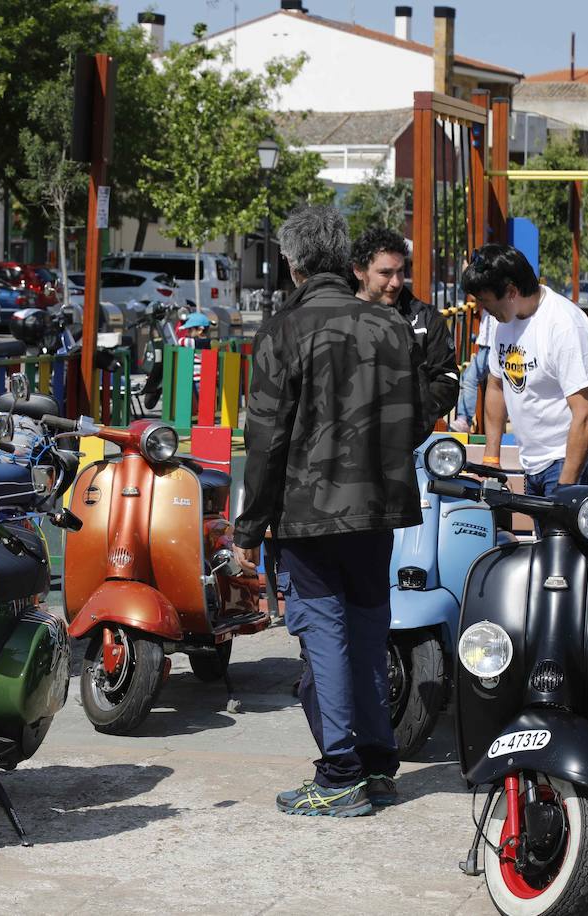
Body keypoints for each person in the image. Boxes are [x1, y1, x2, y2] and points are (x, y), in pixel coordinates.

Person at [233, 204, 424, 818]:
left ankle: (340, 772)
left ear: (292, 264)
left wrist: (248, 527)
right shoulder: (391, 326)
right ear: (346, 261)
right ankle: (376, 765)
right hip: (377, 511)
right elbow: (416, 420)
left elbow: (265, 441)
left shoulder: (283, 330)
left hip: (309, 514)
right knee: (369, 635)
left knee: (326, 639)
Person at [461, 244, 588, 495]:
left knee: (562, 534)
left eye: (485, 301)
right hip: (534, 462)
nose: (481, 308)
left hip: (575, 458)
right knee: (543, 535)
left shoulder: (564, 325)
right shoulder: (503, 320)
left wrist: (566, 490)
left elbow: (586, 415)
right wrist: (491, 458)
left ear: (511, 291)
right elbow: (496, 385)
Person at [350, 226, 458, 428]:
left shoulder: (427, 319)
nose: (396, 282)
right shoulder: (338, 320)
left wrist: (411, 414)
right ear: (358, 270)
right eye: (385, 273)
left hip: (406, 444)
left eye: (401, 271)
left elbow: (447, 379)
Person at [451, 310, 496, 433]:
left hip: (490, 345)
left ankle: (464, 419)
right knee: (467, 378)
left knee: (470, 378)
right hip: (489, 343)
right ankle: (464, 419)